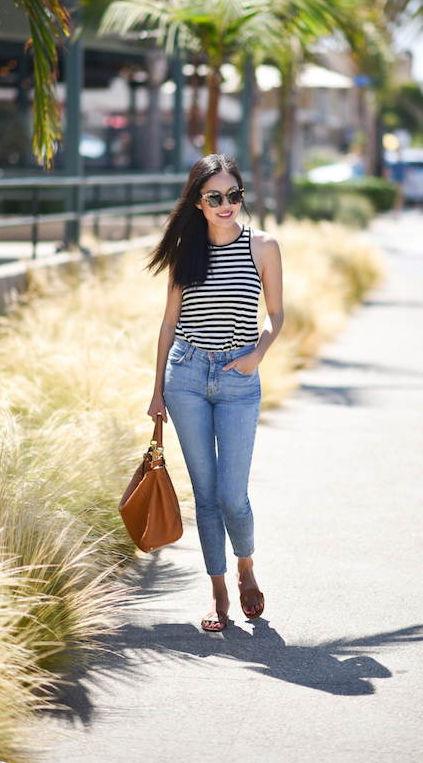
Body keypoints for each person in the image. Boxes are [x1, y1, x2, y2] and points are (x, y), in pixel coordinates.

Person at [147, 154, 284, 632]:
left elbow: (276, 314)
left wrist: (258, 353)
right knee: (205, 495)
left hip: (238, 377)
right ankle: (219, 592)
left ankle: (246, 568)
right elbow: (168, 323)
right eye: (214, 197)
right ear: (199, 202)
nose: (226, 205)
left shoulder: (262, 246)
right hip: (185, 376)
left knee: (232, 495)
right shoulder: (186, 248)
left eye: (234, 195)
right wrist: (156, 391)